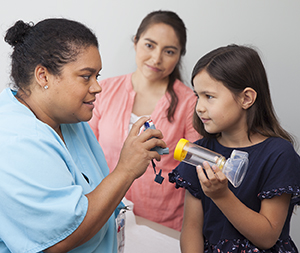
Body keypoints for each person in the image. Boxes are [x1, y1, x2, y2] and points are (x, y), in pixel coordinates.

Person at [0, 18, 167, 253]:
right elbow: (59, 239)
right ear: (43, 76)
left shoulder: (69, 119)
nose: (97, 87)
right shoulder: (14, 141)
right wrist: (126, 169)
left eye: (97, 76)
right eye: (86, 76)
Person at [169, 44, 300, 252]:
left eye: (209, 96)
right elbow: (191, 229)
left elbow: (267, 237)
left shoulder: (278, 155)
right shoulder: (197, 153)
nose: (199, 107)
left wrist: (221, 195)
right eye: (197, 96)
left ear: (246, 98)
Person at [89, 10, 199, 231]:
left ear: (179, 55)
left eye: (169, 51)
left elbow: (197, 169)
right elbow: (86, 154)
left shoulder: (191, 104)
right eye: (149, 45)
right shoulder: (102, 91)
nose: (157, 58)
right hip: (104, 216)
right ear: (136, 42)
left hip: (163, 224)